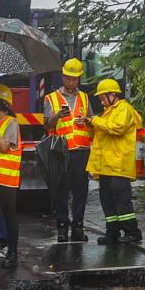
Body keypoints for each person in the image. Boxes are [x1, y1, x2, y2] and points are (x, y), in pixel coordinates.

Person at [88, 77, 144, 245]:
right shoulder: (109, 111)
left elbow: (116, 128)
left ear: (112, 95)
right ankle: (112, 233)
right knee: (107, 201)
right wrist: (91, 124)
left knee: (121, 201)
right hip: (106, 165)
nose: (100, 100)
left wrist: (95, 120)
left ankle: (132, 232)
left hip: (118, 165)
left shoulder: (124, 109)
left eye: (103, 97)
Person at [43, 58, 93, 242]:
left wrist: (86, 121)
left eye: (75, 78)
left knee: (80, 191)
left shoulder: (85, 98)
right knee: (61, 190)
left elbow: (92, 121)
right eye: (68, 78)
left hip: (80, 150)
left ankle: (78, 227)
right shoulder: (51, 98)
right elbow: (46, 125)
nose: (71, 82)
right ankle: (62, 228)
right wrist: (57, 116)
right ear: (63, 77)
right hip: (61, 150)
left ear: (79, 79)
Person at [0, 83, 24, 269]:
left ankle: (12, 254)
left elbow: (4, 147)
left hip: (7, 180)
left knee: (9, 217)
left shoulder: (11, 123)